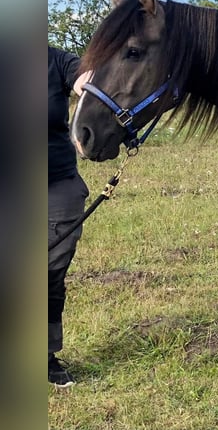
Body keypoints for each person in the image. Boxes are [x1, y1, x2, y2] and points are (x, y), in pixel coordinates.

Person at [48, 46, 89, 387]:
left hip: (57, 183)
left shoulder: (55, 60)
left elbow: (85, 79)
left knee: (50, 273)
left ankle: (44, 355)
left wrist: (89, 90)